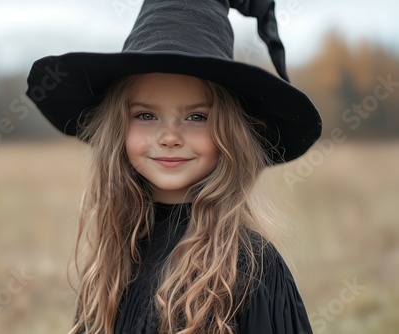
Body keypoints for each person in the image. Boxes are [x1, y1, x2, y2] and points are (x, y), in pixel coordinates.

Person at [26, 0, 322, 333]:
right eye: (146, 115)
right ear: (117, 128)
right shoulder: (113, 262)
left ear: (231, 133)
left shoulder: (251, 268)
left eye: (196, 116)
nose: (169, 137)